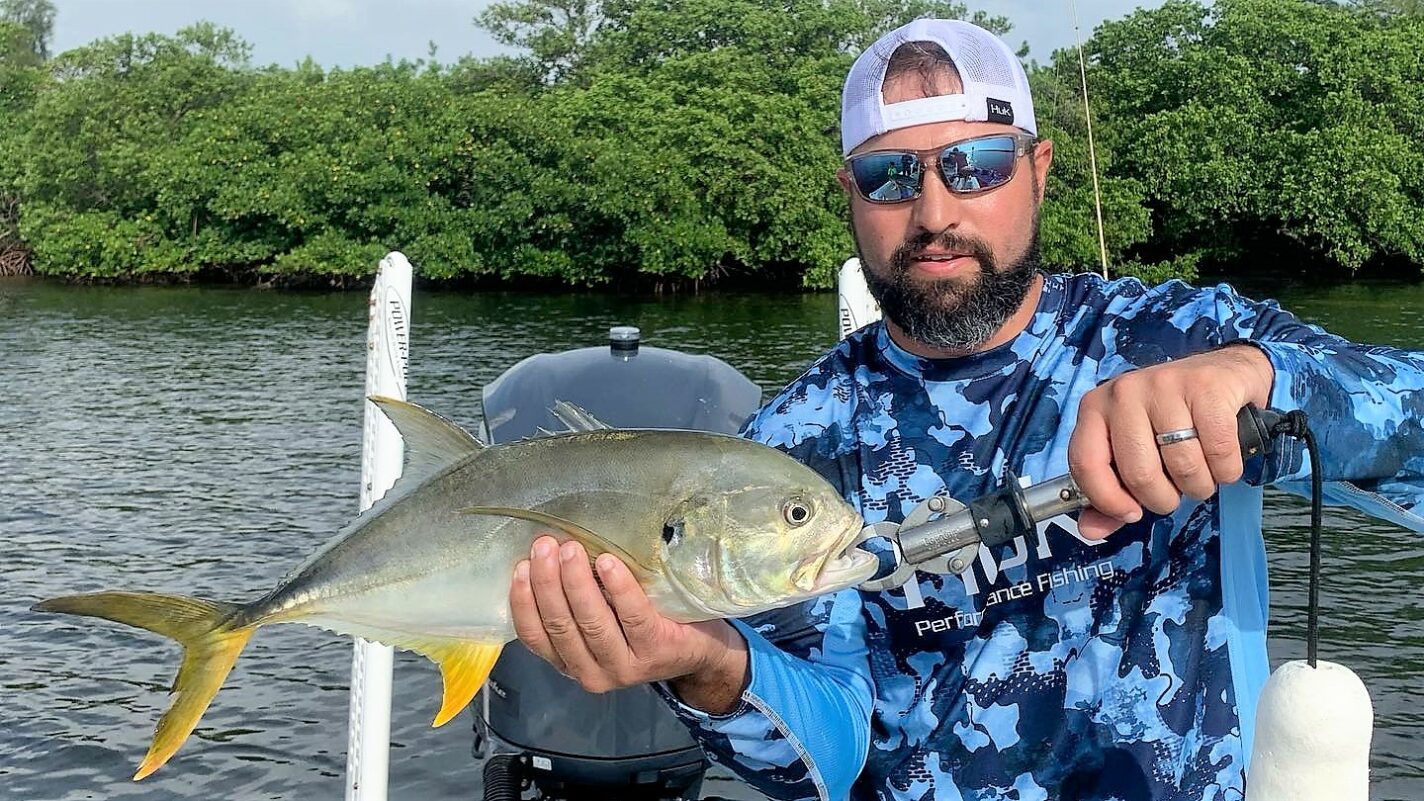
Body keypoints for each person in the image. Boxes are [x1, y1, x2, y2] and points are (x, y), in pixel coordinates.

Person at [506, 18, 1424, 801]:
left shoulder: (1177, 336)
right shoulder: (794, 445)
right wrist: (709, 669)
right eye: (892, 178)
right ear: (851, 198)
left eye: (976, 166)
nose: (935, 210)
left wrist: (1263, 383)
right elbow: (827, 747)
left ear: (1038, 169)